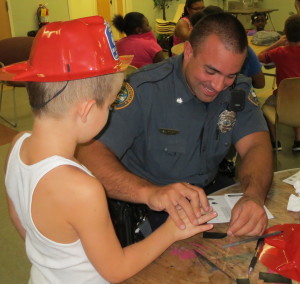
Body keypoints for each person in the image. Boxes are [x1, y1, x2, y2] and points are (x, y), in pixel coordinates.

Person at [3, 16, 217, 284]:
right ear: (87, 110)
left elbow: (22, 225)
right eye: (111, 104)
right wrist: (173, 230)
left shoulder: (17, 145)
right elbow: (116, 269)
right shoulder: (82, 189)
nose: (112, 111)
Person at [77, 13, 273, 239]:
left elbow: (256, 145)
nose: (219, 86)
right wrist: (149, 193)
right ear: (188, 52)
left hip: (207, 196)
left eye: (230, 75)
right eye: (210, 71)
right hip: (145, 207)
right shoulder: (144, 90)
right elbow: (88, 154)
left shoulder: (238, 90)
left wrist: (254, 196)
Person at [258, 14, 300, 151]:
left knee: (265, 107)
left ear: (285, 33)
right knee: (296, 102)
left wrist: (278, 43)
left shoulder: (279, 52)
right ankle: (298, 141)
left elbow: (260, 56)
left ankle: (276, 142)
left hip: (282, 100)